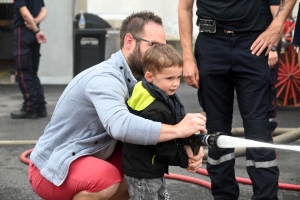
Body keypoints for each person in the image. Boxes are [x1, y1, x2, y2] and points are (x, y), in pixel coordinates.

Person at [28, 11, 206, 200]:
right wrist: (179, 130)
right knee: (106, 180)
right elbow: (120, 125)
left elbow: (160, 123)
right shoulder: (104, 78)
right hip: (52, 168)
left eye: (163, 46)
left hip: (93, 157)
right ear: (129, 41)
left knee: (143, 169)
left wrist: (186, 145)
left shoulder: (146, 81)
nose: (159, 53)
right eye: (153, 45)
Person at [178, 0, 296, 200]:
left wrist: (276, 27)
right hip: (211, 44)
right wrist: (188, 58)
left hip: (252, 44)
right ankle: (224, 196)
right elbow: (184, 7)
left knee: (258, 129)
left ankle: (266, 197)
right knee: (216, 128)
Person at [123, 43, 191, 200]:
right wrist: (185, 160)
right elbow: (163, 146)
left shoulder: (150, 89)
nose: (175, 83)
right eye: (169, 78)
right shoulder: (156, 109)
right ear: (149, 76)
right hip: (145, 171)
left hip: (146, 166)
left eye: (177, 77)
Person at [11, 0, 47, 119]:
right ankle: (40, 107)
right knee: (32, 72)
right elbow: (43, 10)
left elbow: (25, 13)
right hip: (34, 33)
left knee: (24, 72)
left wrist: (35, 29)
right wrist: (36, 23)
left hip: (24, 32)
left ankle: (29, 108)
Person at [262, 0, 283, 134]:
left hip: (268, 47)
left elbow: (278, 16)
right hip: (253, 45)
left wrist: (273, 48)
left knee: (266, 91)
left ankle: (268, 134)